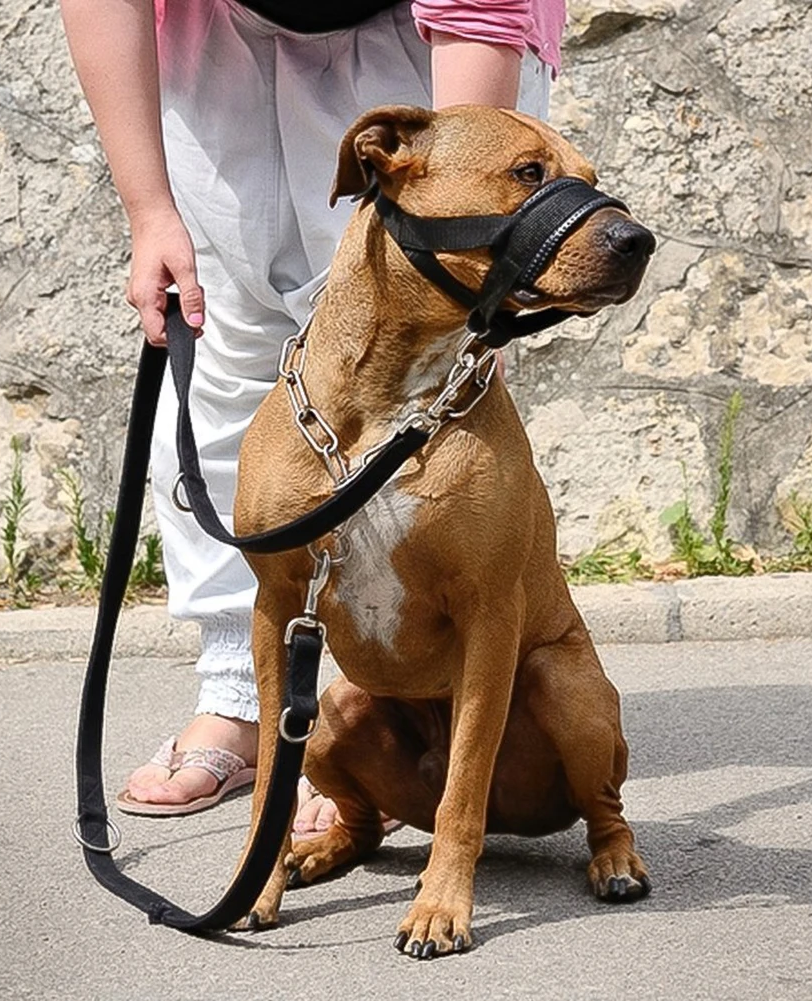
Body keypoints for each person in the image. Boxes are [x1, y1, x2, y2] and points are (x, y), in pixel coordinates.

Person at [59, 0, 566, 828]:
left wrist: (476, 256)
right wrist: (148, 209)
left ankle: (387, 716)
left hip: (427, 38)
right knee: (222, 341)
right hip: (221, 31)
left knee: (407, 371)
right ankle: (237, 693)